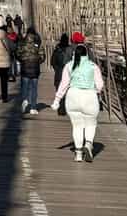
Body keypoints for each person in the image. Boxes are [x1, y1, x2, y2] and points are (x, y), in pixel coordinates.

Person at [51, 32, 105, 161]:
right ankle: (88, 143)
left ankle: (78, 153)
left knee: (77, 126)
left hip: (73, 97)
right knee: (91, 124)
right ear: (87, 54)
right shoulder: (93, 66)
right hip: (89, 97)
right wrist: (95, 90)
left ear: (74, 54)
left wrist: (57, 100)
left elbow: (63, 84)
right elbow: (100, 85)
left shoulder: (69, 66)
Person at [15, 29, 45, 113]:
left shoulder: (22, 43)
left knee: (25, 87)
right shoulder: (38, 44)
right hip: (35, 68)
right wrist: (38, 62)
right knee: (34, 88)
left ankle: (25, 100)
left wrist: (22, 60)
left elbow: (17, 53)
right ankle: (33, 108)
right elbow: (42, 56)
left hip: (25, 67)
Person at [49, 33, 72, 116]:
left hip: (59, 73)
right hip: (68, 74)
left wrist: (57, 69)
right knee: (67, 92)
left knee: (59, 91)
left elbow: (52, 62)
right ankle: (65, 108)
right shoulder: (70, 50)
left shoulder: (57, 49)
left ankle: (60, 109)